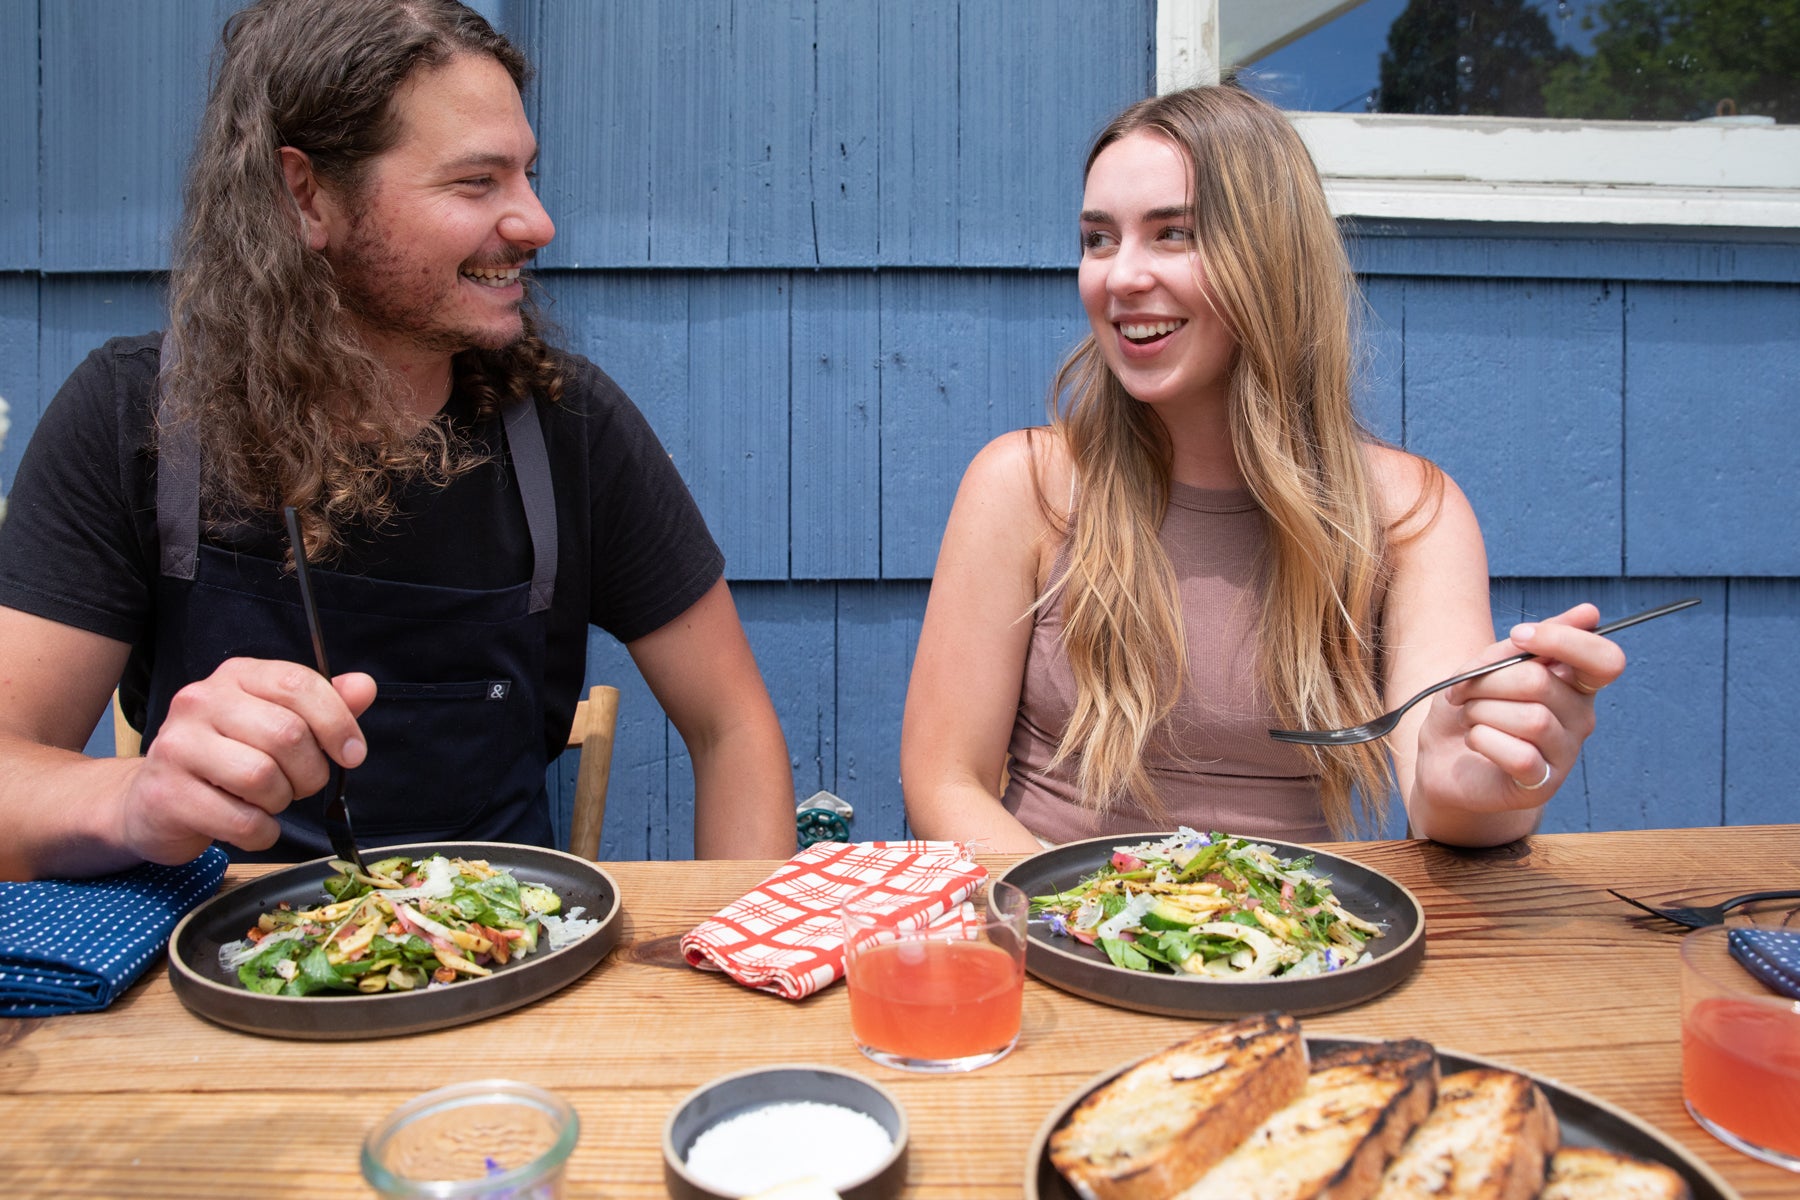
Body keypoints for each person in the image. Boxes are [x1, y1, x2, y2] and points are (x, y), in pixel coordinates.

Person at [0, 0, 796, 880]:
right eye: (476, 182)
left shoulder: (568, 427)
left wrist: (747, 954)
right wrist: (135, 796)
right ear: (305, 196)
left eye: (529, 175)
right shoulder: (137, 415)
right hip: (209, 983)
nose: (536, 222)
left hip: (504, 967)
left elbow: (733, 728)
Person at [900, 83, 1627, 853]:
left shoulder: (1412, 514)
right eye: (1099, 239)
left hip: (1287, 952)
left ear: (1271, 258)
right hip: (1047, 932)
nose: (1119, 277)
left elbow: (1444, 787)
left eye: (1173, 234)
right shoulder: (1026, 484)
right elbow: (943, 781)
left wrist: (1488, 781)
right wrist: (1097, 924)